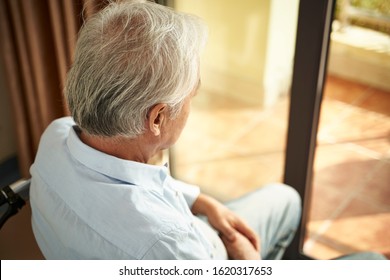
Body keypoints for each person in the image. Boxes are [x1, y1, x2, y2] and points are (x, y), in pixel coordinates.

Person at [29, 0, 301, 260]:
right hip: (205, 253)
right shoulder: (171, 248)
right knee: (287, 200)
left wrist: (203, 202)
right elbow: (171, 244)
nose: (192, 101)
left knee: (283, 200)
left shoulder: (56, 135)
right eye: (192, 94)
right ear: (157, 118)